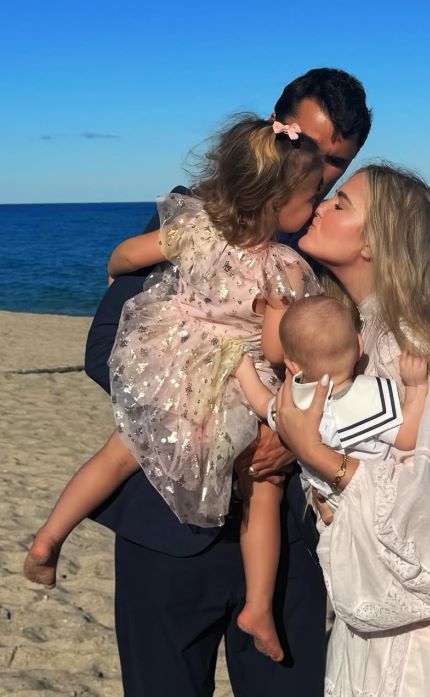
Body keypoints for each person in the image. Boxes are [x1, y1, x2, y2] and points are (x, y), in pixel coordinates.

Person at [81, 68, 372, 697]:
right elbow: (105, 350)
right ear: (276, 129)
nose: (322, 175)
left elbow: (358, 376)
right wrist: (230, 421)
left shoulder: (331, 242)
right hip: (167, 526)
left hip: (285, 536)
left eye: (337, 164)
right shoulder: (203, 215)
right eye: (311, 150)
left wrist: (293, 436)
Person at [25, 114, 324, 663]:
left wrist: (114, 274)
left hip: (173, 368)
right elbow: (282, 350)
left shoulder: (195, 229)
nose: (313, 208)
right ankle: (259, 606)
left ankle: (49, 537)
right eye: (310, 198)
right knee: (263, 486)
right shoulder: (285, 267)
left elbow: (125, 255)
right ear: (277, 202)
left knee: (119, 454)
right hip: (236, 383)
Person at [273, 164, 430, 696]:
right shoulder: (363, 330)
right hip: (404, 629)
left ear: (374, 243)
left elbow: (427, 512)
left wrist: (315, 454)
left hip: (422, 644)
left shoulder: (402, 347)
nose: (320, 205)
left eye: (340, 204)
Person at [234, 295, 429, 512]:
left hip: (327, 498)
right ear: (360, 345)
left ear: (292, 366)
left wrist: (243, 370)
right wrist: (416, 386)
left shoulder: (294, 404)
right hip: (365, 502)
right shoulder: (367, 397)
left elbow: (262, 404)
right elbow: (408, 437)